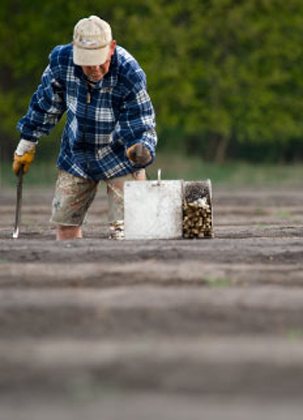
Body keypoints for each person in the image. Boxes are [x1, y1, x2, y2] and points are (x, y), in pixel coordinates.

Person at [13, 15, 157, 240]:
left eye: (101, 60)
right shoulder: (61, 61)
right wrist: (27, 142)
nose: (95, 69)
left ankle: (126, 273)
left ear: (112, 47)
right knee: (65, 224)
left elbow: (139, 118)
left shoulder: (130, 72)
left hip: (120, 154)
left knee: (130, 229)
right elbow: (46, 104)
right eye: (88, 62)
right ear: (75, 50)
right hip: (77, 154)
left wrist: (140, 147)